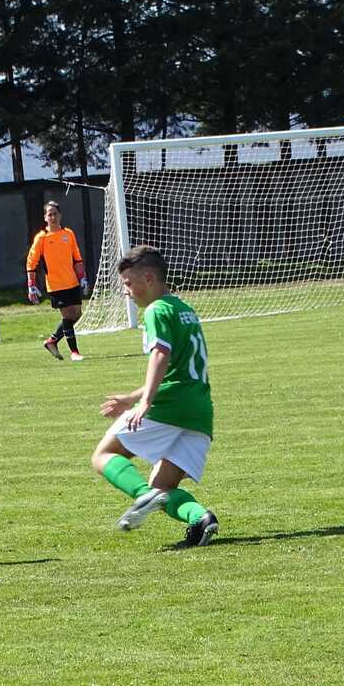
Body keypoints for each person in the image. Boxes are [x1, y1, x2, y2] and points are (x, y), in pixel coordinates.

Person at [90, 244, 218, 548]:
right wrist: (132, 397)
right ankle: (201, 518)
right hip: (200, 411)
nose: (126, 291)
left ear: (148, 279)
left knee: (103, 456)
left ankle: (143, 497)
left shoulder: (156, 310)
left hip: (169, 407)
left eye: (128, 283)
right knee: (161, 487)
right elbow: (178, 371)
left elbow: (161, 354)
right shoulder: (184, 309)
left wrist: (144, 402)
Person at [26, 200, 87, 361]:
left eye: (55, 214)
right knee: (67, 315)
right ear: (45, 218)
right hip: (56, 285)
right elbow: (31, 261)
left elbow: (77, 258)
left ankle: (52, 341)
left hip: (72, 282)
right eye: (49, 214)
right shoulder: (42, 238)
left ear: (60, 215)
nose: (52, 217)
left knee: (77, 314)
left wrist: (82, 277)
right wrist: (31, 285)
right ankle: (74, 352)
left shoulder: (69, 234)